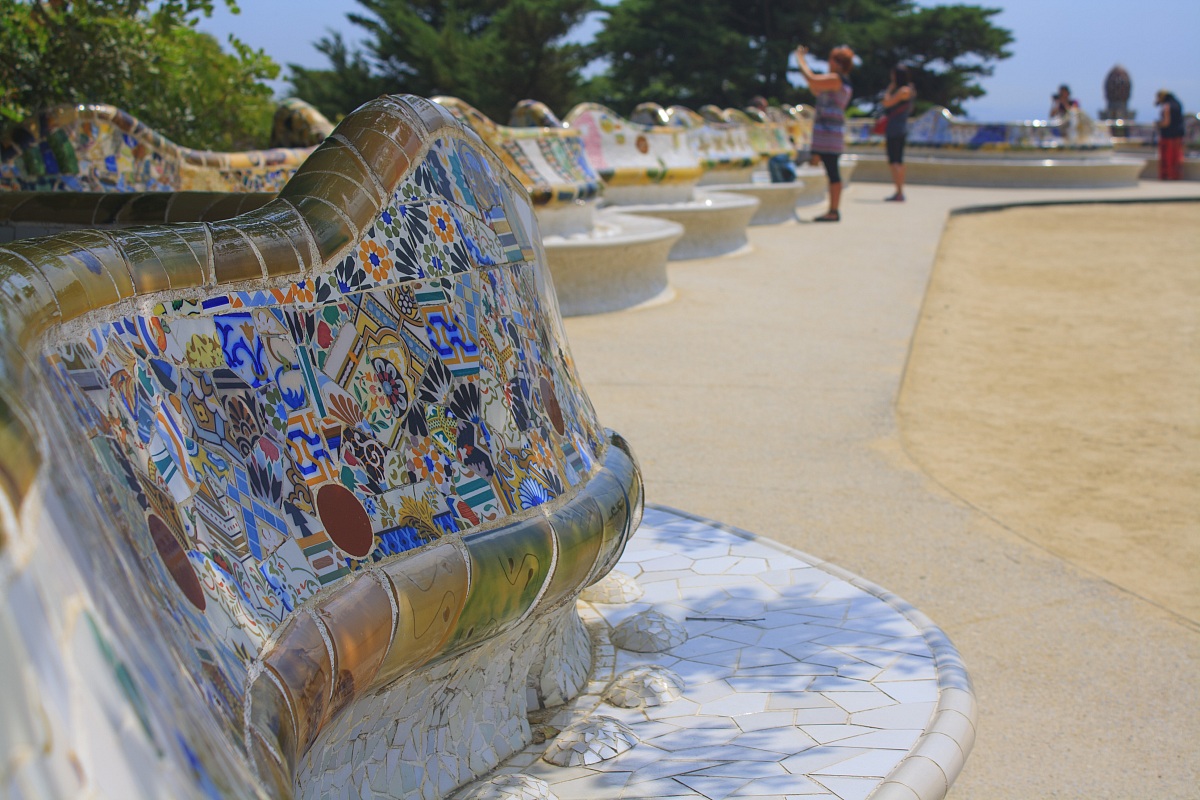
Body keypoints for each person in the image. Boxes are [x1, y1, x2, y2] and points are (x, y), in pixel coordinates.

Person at [794, 44, 855, 222]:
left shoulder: (836, 79)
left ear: (838, 63)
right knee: (825, 166)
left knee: (830, 169)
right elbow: (814, 85)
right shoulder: (840, 81)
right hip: (829, 131)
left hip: (828, 132)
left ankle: (833, 211)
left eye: (832, 59)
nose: (829, 63)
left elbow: (811, 79)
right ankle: (832, 209)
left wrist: (800, 58)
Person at [880, 64, 916, 202]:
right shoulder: (909, 89)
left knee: (895, 161)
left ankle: (899, 192)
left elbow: (887, 103)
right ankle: (899, 191)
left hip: (896, 129)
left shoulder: (903, 91)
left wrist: (889, 89)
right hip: (899, 128)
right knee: (897, 161)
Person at [750, 95, 797, 183]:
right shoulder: (755, 121)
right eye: (764, 107)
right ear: (759, 107)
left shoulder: (766, 120)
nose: (766, 110)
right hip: (763, 152)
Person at [1155, 89, 1185, 181]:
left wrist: (1158, 124)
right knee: (1176, 157)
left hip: (1167, 136)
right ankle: (1175, 175)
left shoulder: (1167, 106)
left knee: (1167, 157)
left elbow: (1166, 122)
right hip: (1178, 135)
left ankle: (1167, 175)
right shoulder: (1178, 104)